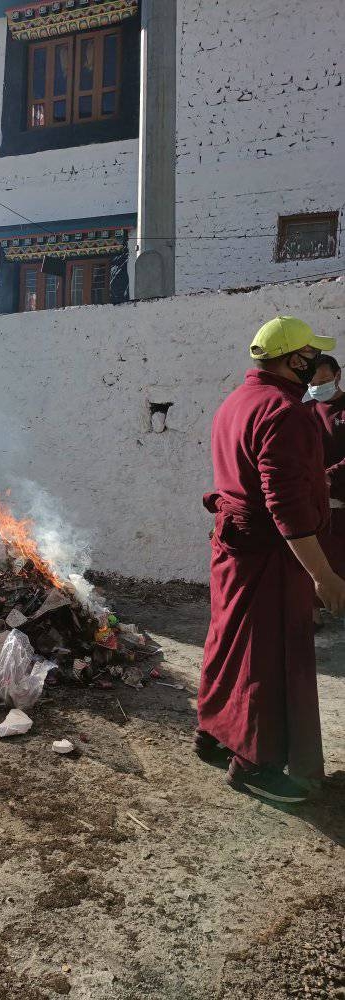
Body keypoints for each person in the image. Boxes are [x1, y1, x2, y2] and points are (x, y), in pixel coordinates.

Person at [196, 316, 345, 804]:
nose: (313, 365)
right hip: (270, 554)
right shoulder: (285, 411)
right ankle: (256, 765)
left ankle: (215, 734)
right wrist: (322, 574)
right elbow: (286, 505)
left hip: (234, 546)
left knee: (229, 640)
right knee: (270, 657)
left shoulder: (236, 402)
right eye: (308, 356)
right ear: (292, 359)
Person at [308, 355, 345, 583]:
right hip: (316, 504)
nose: (318, 388)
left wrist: (329, 476)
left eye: (323, 382)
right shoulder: (304, 410)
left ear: (338, 376)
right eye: (312, 384)